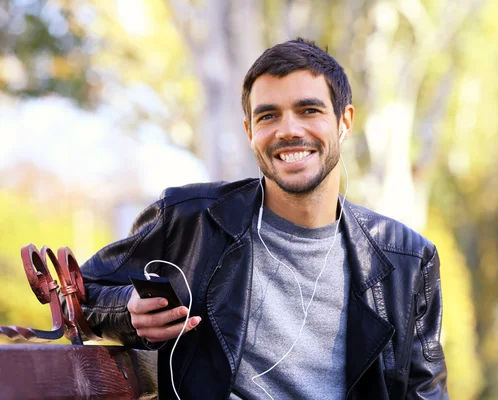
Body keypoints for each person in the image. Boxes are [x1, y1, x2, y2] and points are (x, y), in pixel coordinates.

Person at [80, 38, 448, 399]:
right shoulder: (190, 219)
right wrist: (126, 309)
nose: (288, 130)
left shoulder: (408, 259)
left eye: (309, 110)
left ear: (344, 122)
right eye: (268, 115)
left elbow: (424, 391)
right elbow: (80, 292)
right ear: (250, 131)